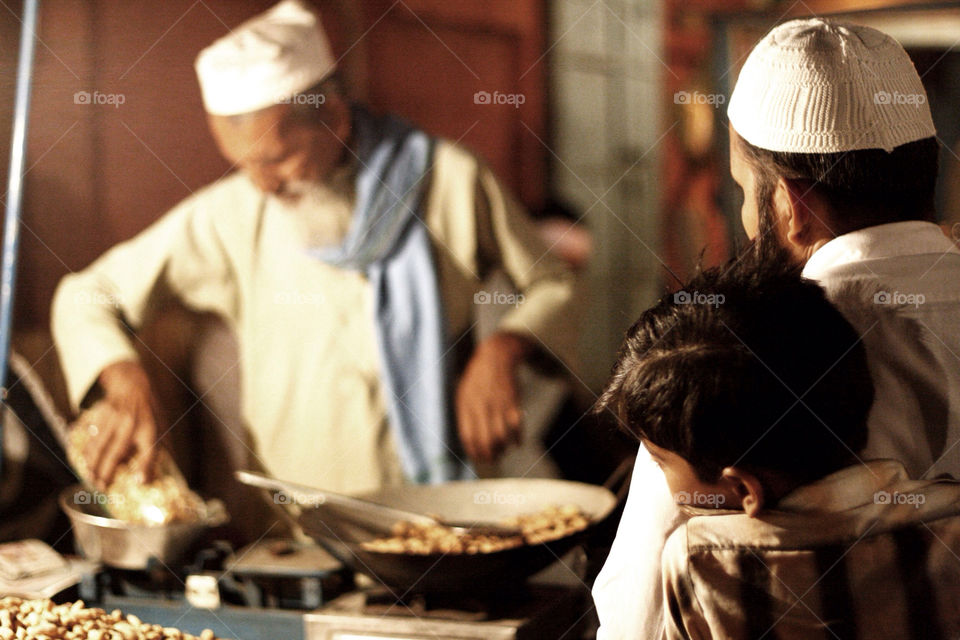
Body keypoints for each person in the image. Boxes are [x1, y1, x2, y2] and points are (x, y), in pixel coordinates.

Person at [51, 0, 578, 496]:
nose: (263, 185)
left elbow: (552, 281)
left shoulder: (449, 182)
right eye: (244, 165)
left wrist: (503, 349)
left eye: (276, 159)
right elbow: (85, 294)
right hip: (300, 522)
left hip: (442, 511)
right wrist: (123, 379)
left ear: (332, 115)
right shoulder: (229, 214)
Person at [593, 17, 960, 638]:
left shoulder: (741, 351)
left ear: (793, 206)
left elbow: (638, 621)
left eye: (742, 189)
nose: (744, 215)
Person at [598, 252, 960, 639]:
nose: (657, 475)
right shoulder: (949, 519)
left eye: (659, 461)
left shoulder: (699, 560)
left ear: (743, 489)